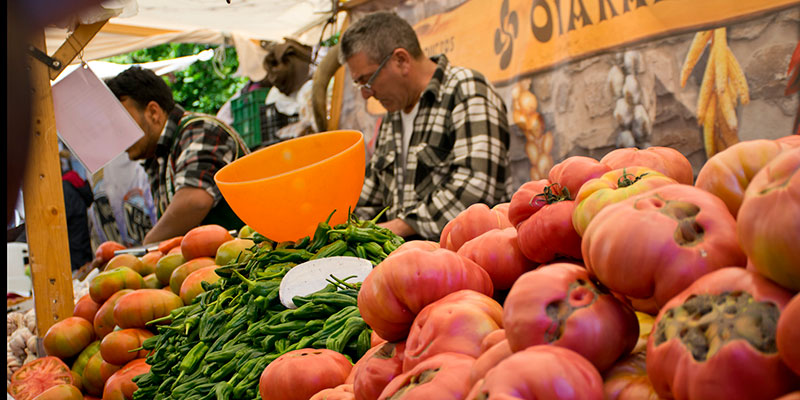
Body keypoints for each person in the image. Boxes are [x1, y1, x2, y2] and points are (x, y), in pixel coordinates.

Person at [338, 11, 513, 240]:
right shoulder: (394, 114)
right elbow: (372, 190)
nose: (366, 94)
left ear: (401, 60)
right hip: (408, 260)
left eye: (368, 80)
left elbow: (476, 188)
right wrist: (343, 228)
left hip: (466, 258)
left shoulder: (466, 91)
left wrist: (396, 229)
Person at [105, 66, 250, 244]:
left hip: (247, 262)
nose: (117, 136)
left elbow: (194, 202)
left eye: (122, 124)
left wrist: (146, 247)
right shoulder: (158, 157)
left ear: (153, 112)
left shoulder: (201, 129)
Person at [61, 170, 94, 270]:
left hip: (75, 259)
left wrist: (18, 243)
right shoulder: (70, 184)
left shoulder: (64, 190)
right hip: (82, 254)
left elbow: (49, 223)